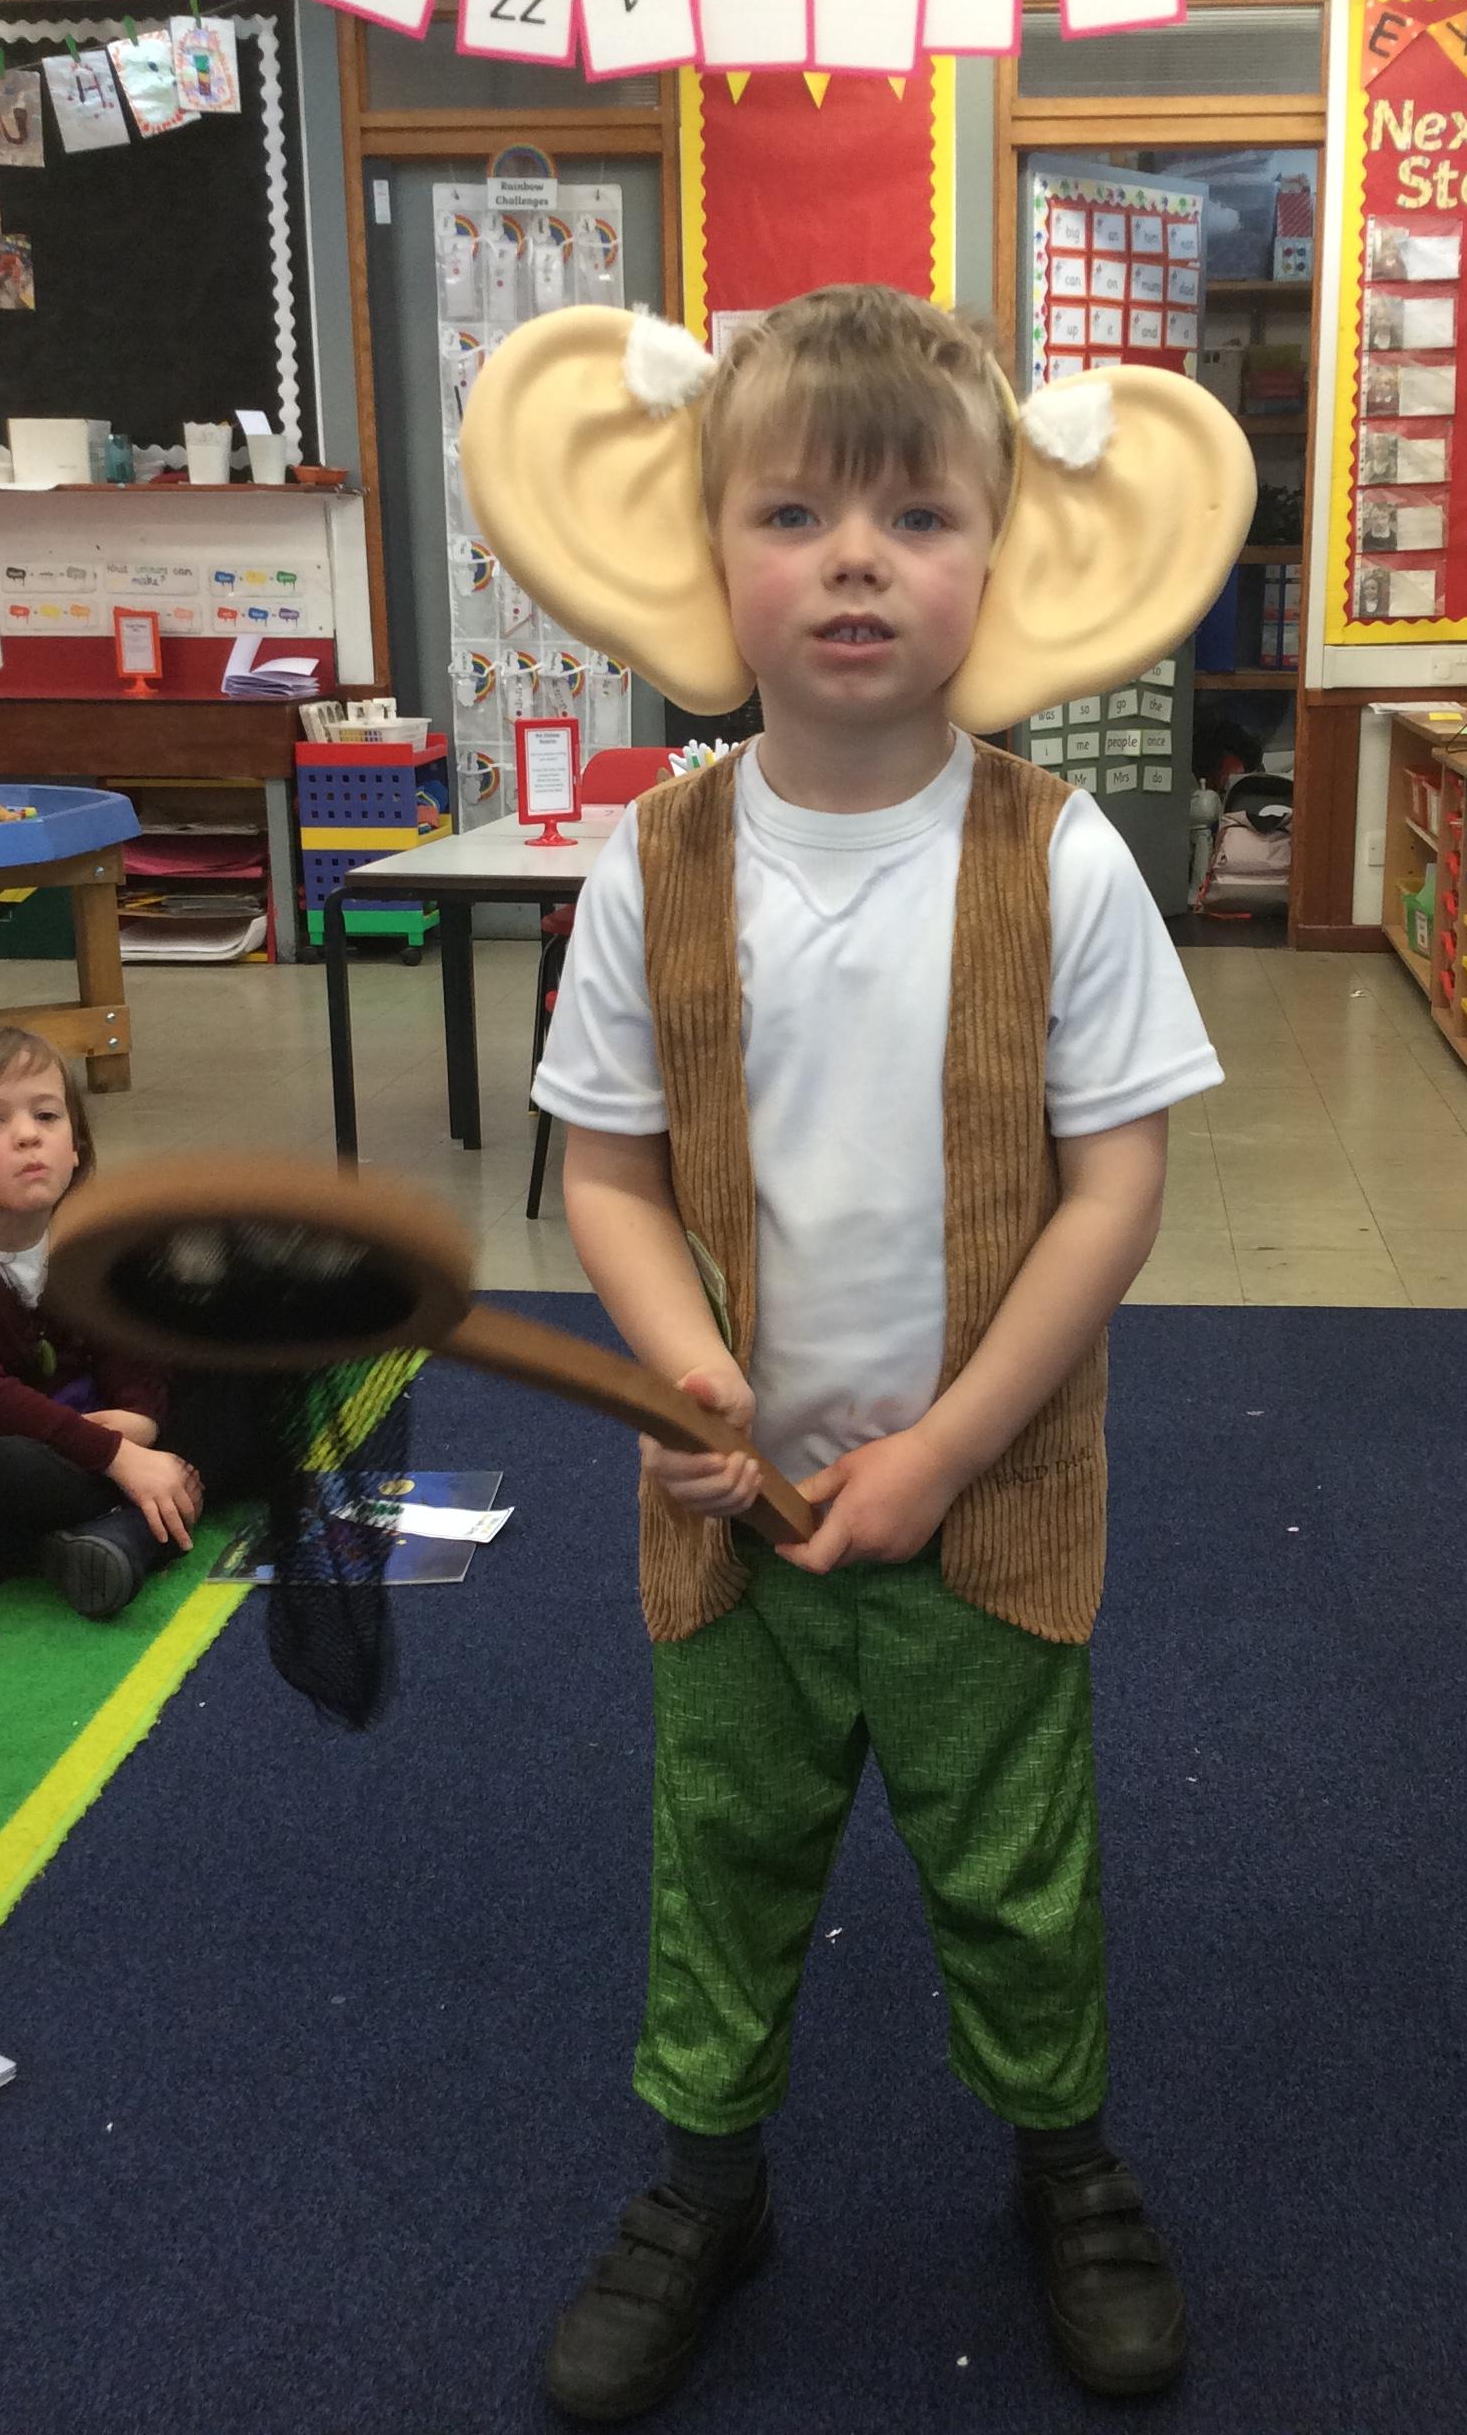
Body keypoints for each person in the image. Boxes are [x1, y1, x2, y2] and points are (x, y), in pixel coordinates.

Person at [492, 287, 1242, 2422]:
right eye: (793, 512)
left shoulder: (1061, 858)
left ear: (1001, 556)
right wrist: (683, 1379)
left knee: (1014, 1868)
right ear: (701, 548)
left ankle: (1063, 2163)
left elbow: (1110, 1193)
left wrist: (944, 1449)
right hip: (730, 1516)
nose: (852, 560)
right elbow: (607, 1176)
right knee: (723, 1857)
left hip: (988, 1505)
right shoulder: (652, 861)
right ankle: (705, 2187)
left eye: (915, 516)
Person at [0, 1026, 201, 1618]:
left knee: (241, 1364)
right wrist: (116, 1455)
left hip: (81, 1428)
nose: (27, 1136)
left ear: (76, 1148)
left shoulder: (92, 1232)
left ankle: (120, 1532)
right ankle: (144, 1520)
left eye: (46, 1115)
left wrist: (140, 1416)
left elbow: (130, 1340)